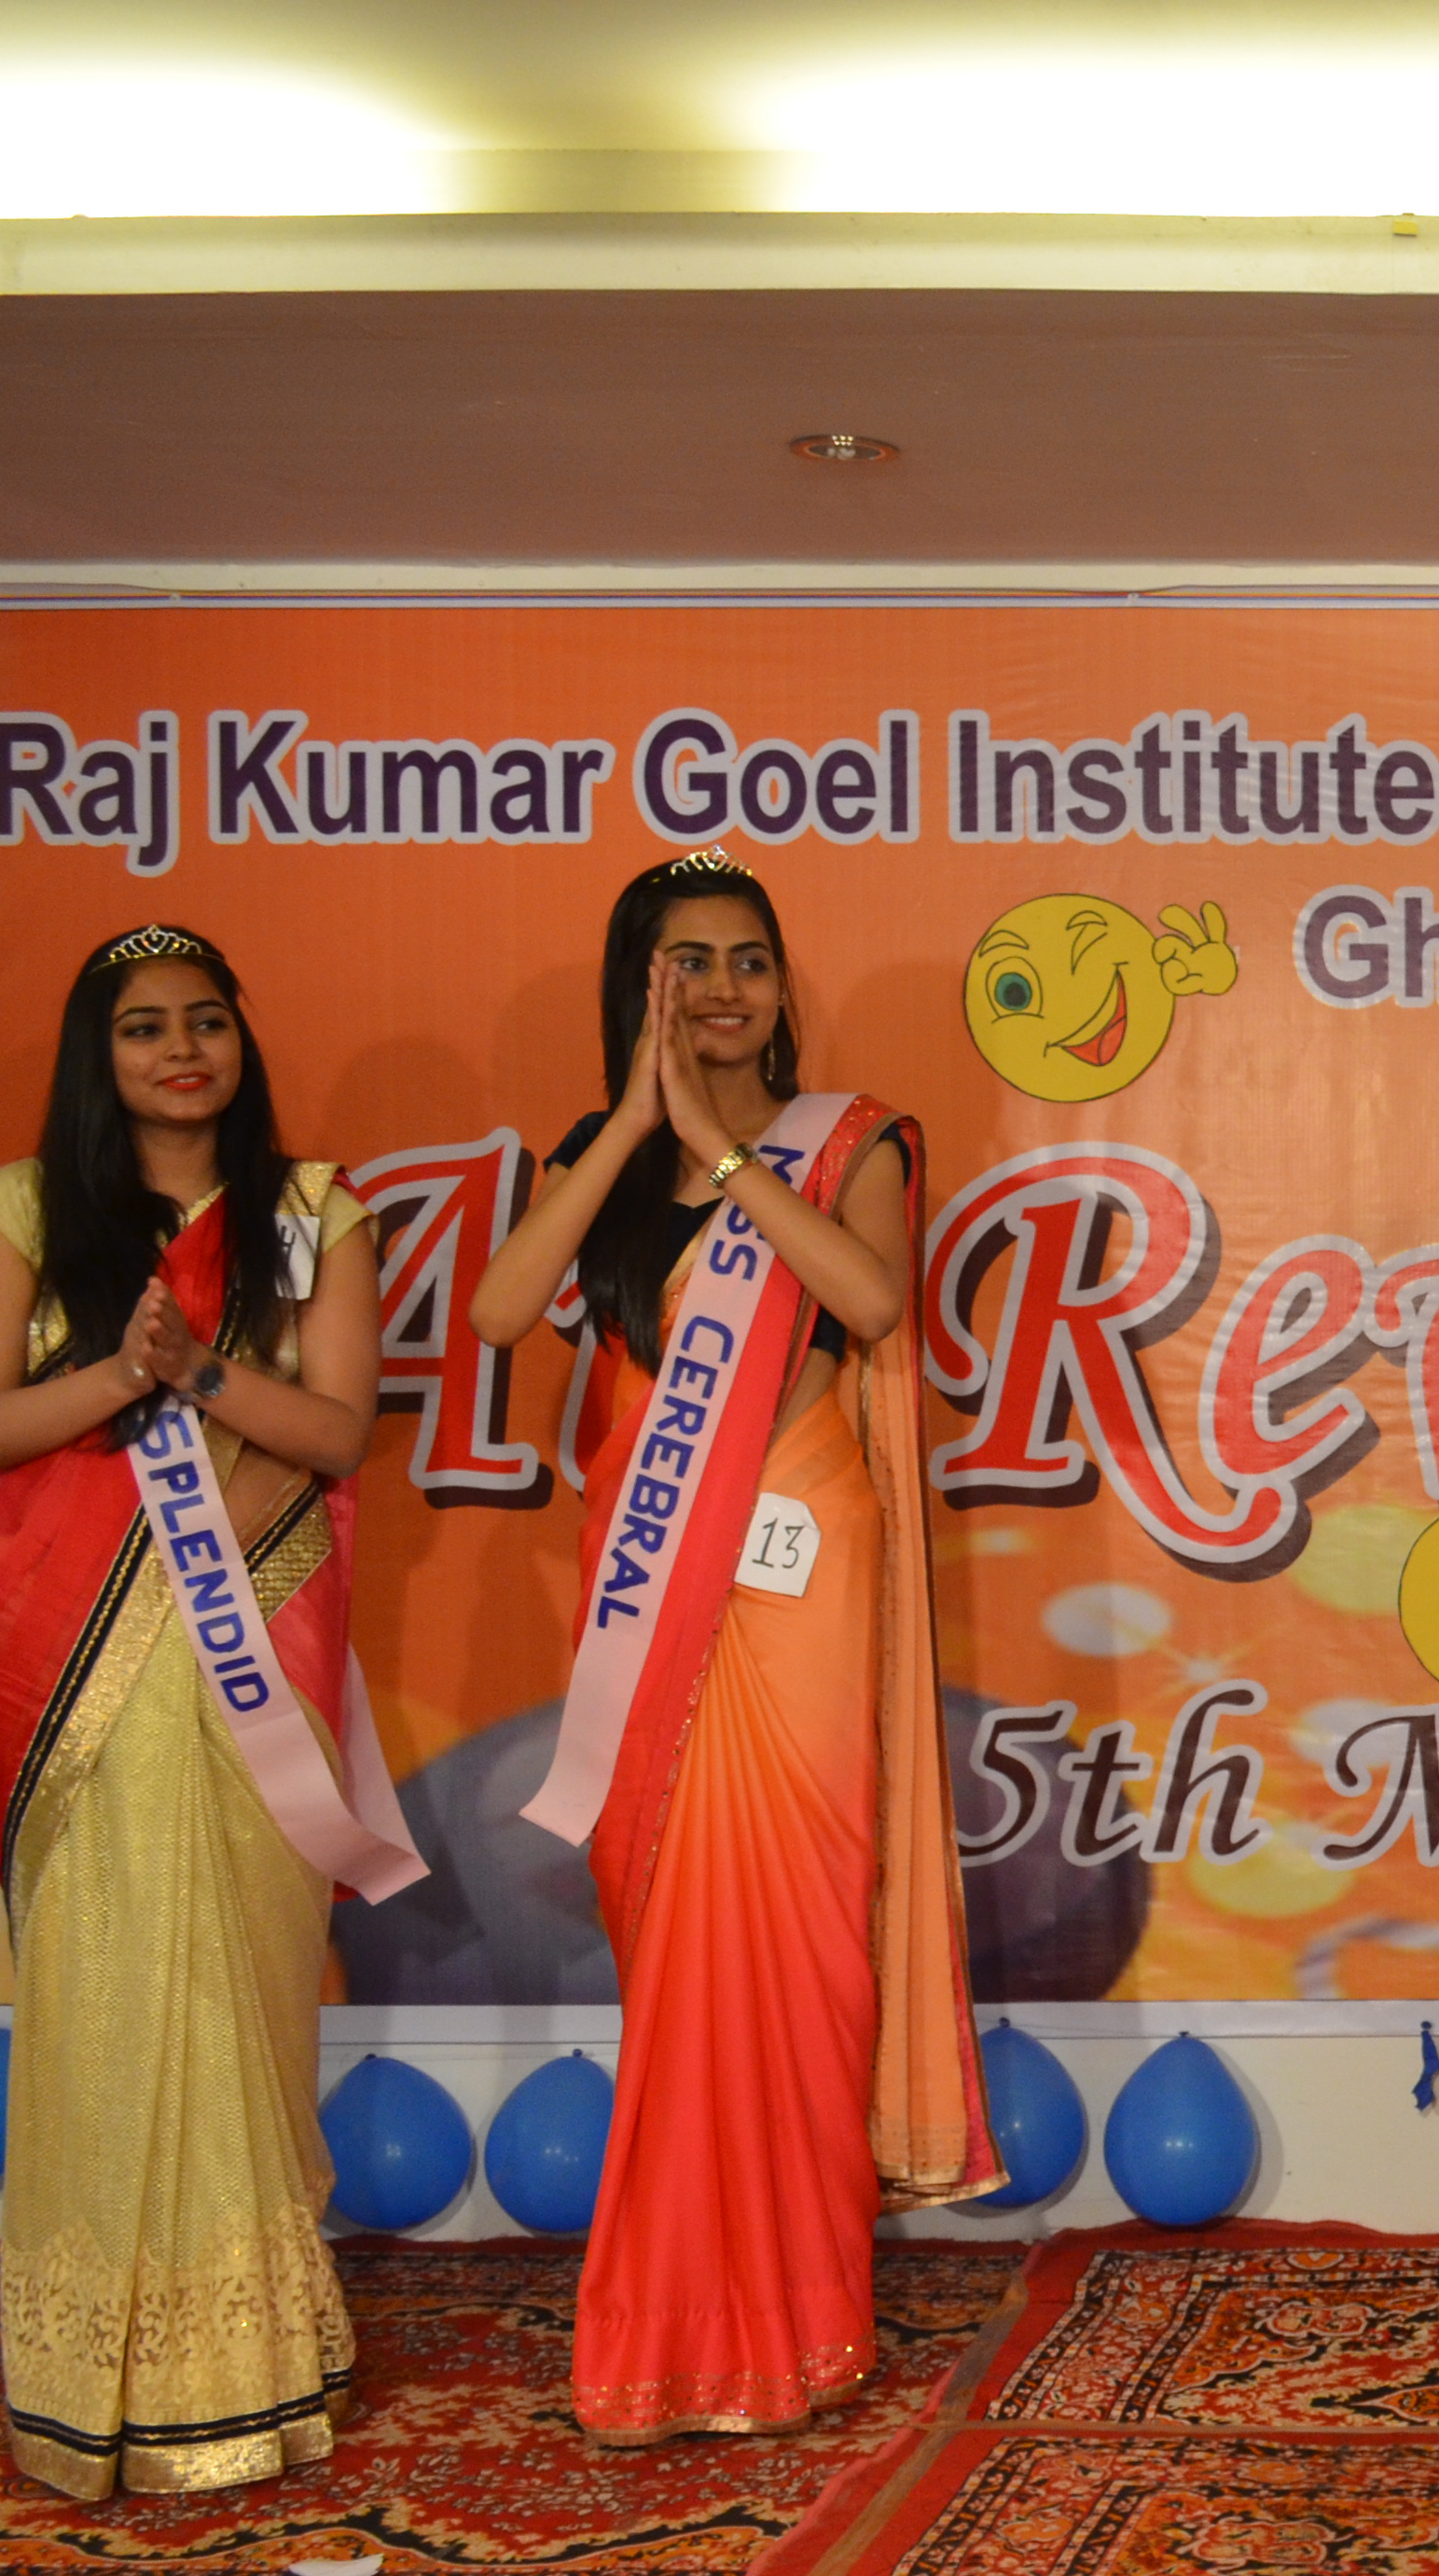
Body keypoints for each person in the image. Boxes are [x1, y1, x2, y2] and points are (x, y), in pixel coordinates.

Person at [466, 850, 992, 2443]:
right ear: (640, 986)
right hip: (650, 1579)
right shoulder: (599, 1155)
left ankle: (804, 2316)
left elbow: (874, 1305)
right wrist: (637, 1127)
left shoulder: (852, 1143)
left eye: (747, 958)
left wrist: (723, 1153)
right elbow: (499, 1311)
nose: (721, 987)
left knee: (799, 1937)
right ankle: (680, 2323)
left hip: (798, 1565)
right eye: (685, 960)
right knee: (678, 1948)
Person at [0, 925, 386, 2499]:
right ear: (101, 1053)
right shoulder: (22, 1208)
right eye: (144, 1027)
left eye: (206, 1020)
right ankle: (99, 2377)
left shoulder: (313, 1211)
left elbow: (338, 1428)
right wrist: (124, 1379)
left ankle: (250, 2363)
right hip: (74, 1653)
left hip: (255, 1634)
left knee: (243, 1980)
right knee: (109, 1988)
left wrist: (199, 1370)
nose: (182, 1049)